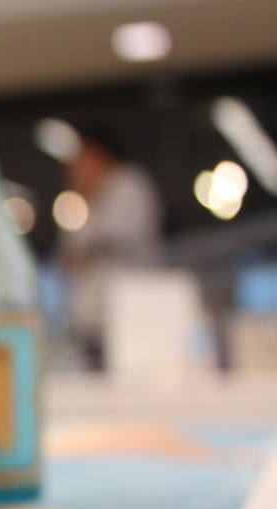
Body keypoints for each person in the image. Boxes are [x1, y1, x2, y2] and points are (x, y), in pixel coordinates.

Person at [59, 126, 164, 369]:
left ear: (99, 155)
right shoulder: (79, 201)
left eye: (80, 159)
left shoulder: (128, 185)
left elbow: (110, 237)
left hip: (130, 319)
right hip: (90, 325)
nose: (73, 169)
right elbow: (69, 256)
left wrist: (84, 252)